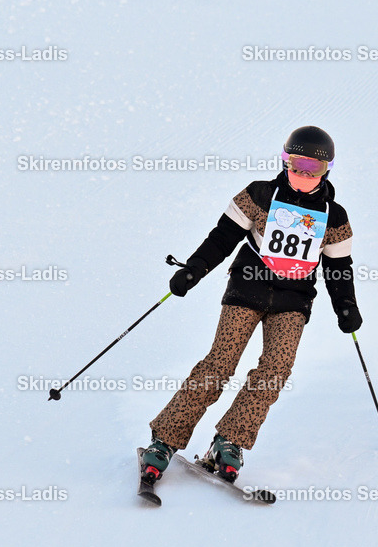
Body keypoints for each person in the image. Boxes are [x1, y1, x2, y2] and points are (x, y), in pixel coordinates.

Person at [140, 126, 362, 484]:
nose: (304, 175)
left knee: (275, 370)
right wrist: (194, 269)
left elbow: (339, 268)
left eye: (314, 169)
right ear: (285, 161)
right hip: (247, 290)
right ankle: (165, 439)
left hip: (293, 301)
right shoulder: (259, 195)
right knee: (219, 363)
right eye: (298, 164)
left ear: (327, 171)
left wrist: (346, 307)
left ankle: (230, 440)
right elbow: (223, 238)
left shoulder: (334, 217)